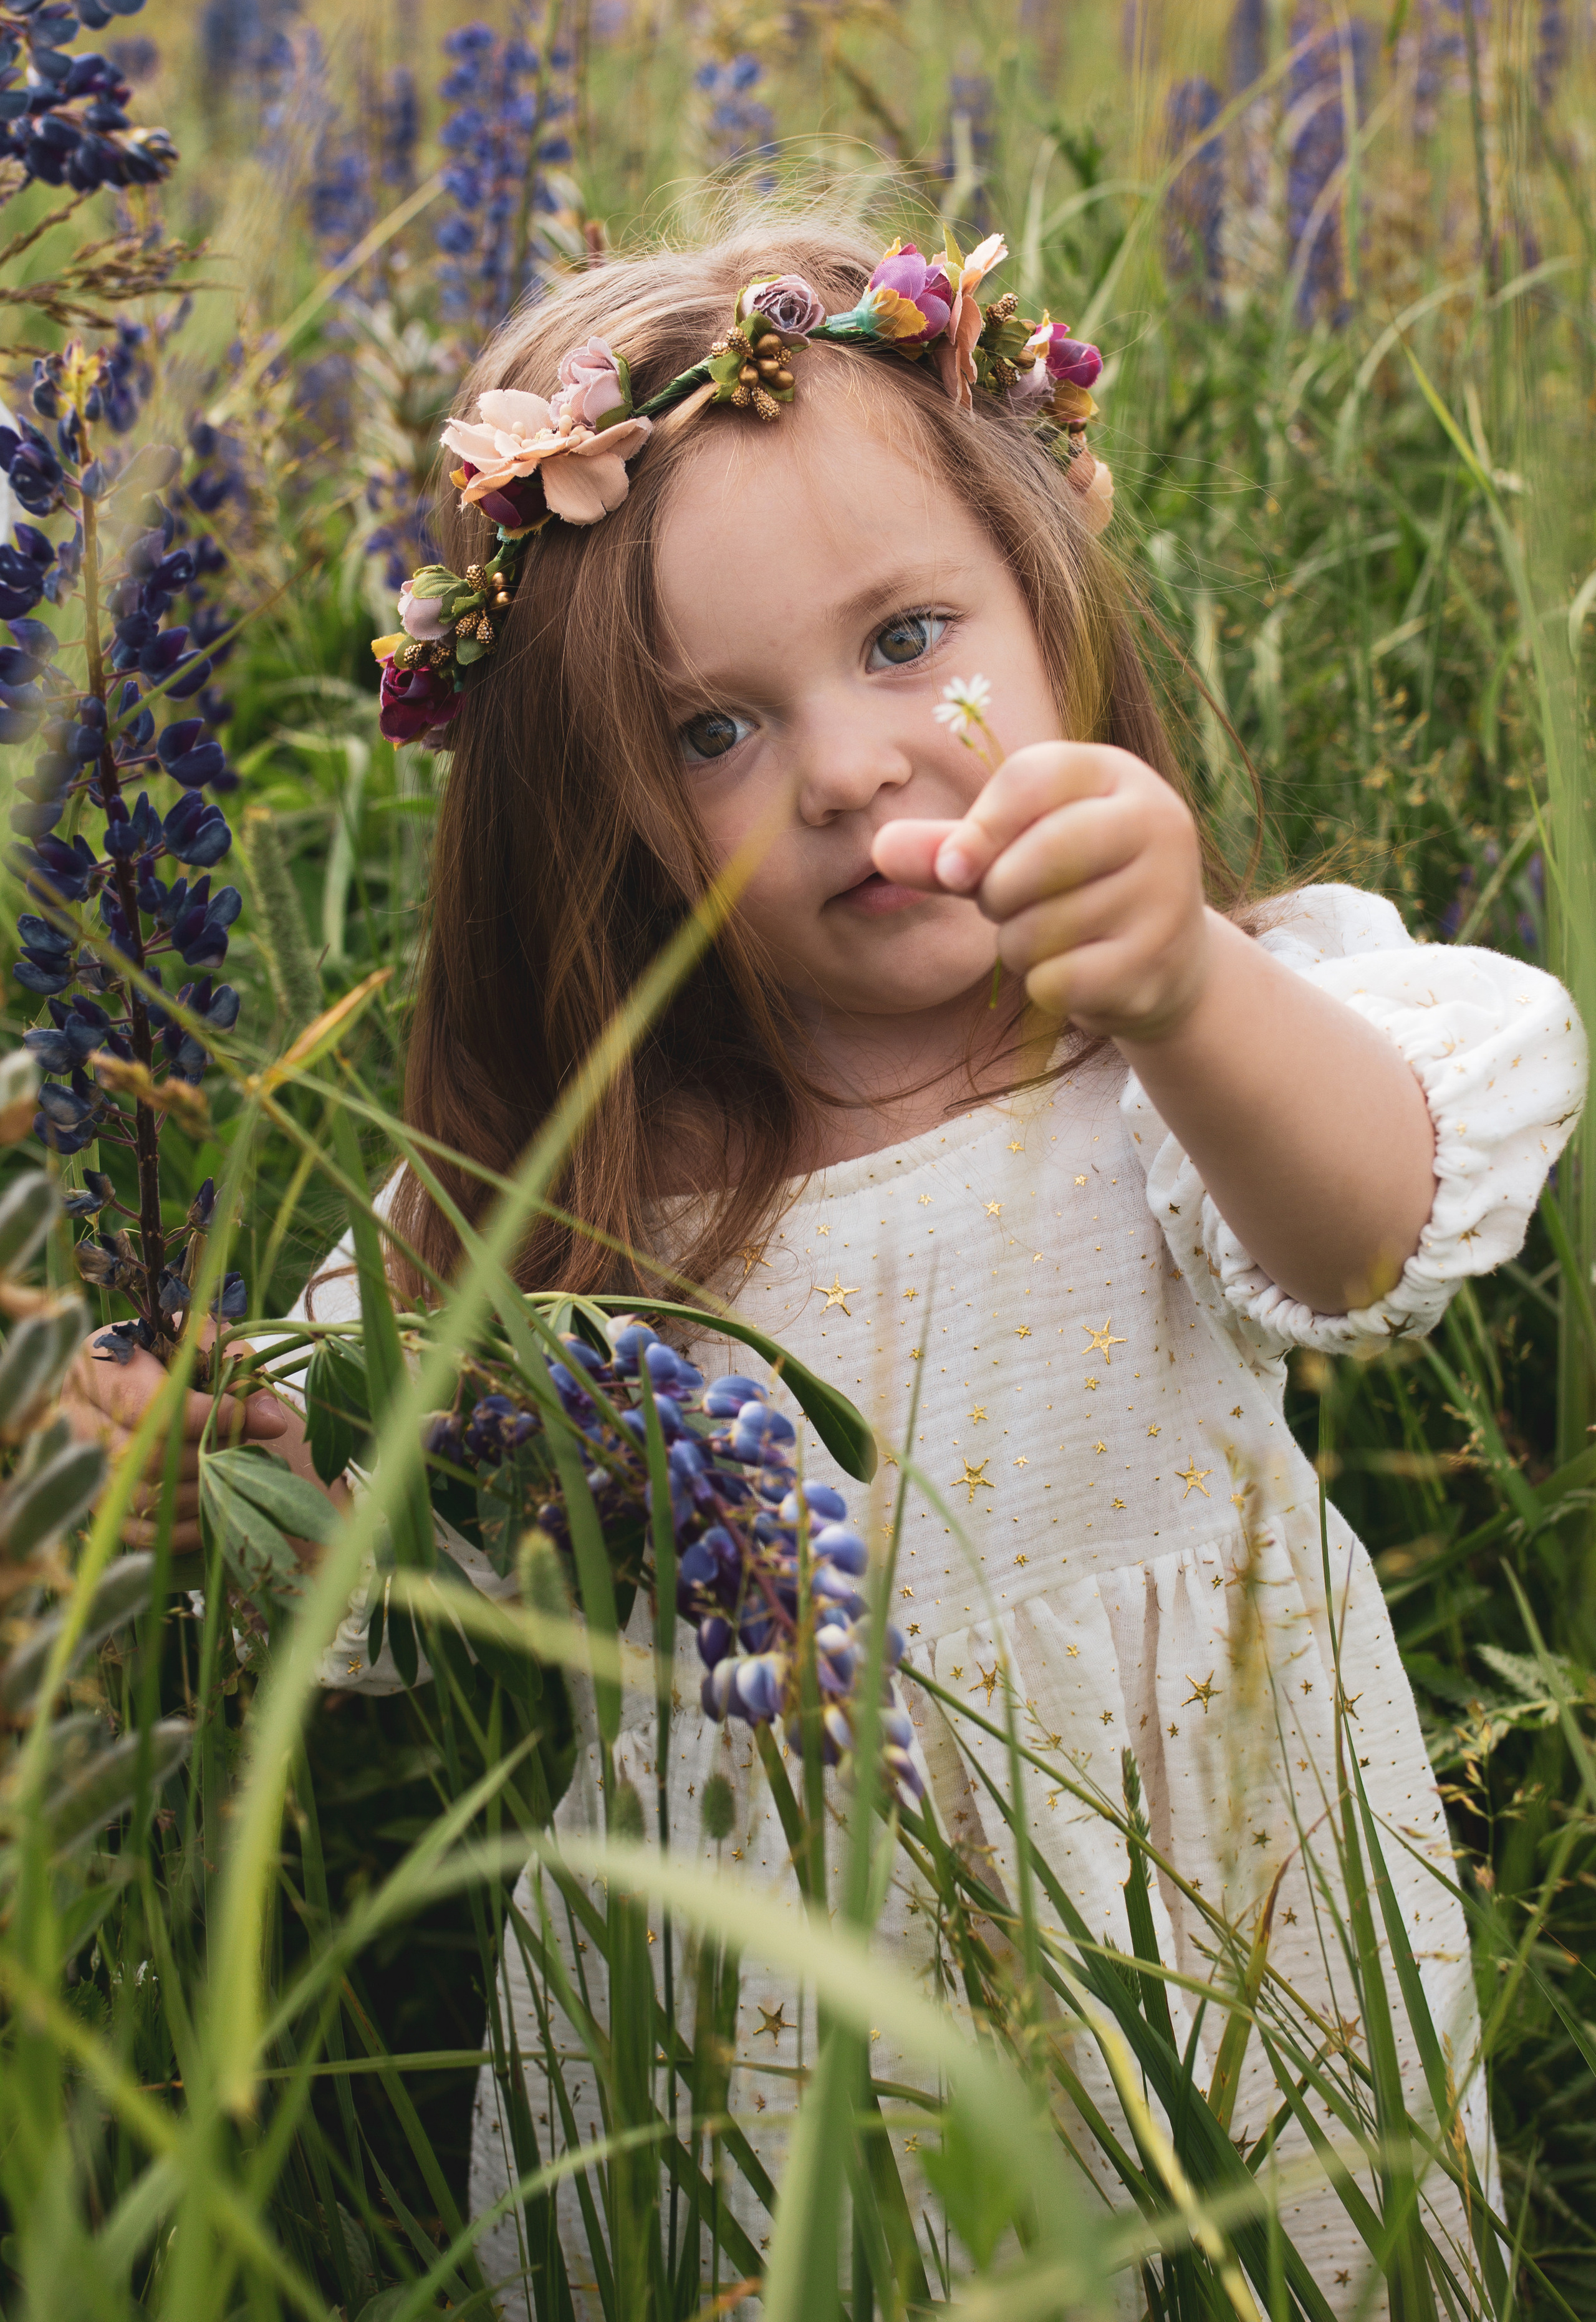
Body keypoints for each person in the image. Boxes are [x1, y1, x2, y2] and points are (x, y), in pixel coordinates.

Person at [66, 209, 1587, 2315]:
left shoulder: (1169, 1049)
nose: (852, 764)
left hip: (1227, 1887)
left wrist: (1184, 991)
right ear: (597, 808)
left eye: (903, 639)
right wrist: (191, 1455)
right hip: (758, 1992)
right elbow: (403, 1524)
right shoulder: (590, 1193)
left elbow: (1358, 1243)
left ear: (1049, 588)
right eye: (714, 734)